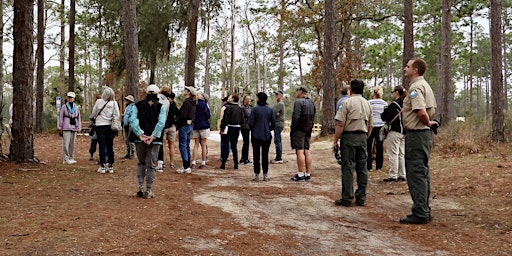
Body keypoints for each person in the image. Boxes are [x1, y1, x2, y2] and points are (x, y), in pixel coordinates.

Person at [399, 58, 438, 225]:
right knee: (422, 172)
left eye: (407, 66)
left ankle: (420, 212)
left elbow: (420, 111)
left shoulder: (415, 88)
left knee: (416, 173)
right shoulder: (425, 85)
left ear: (415, 70)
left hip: (417, 134)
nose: (404, 69)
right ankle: (424, 209)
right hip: (423, 135)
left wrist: (428, 122)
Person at [332, 79, 373, 207]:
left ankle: (347, 197)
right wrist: (365, 137)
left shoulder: (346, 102)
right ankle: (361, 197)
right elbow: (370, 125)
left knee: (348, 167)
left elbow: (340, 123)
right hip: (362, 137)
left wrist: (335, 140)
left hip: (349, 137)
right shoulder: (367, 104)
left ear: (351, 90)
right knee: (362, 168)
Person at [129, 84, 166, 198]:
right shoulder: (161, 107)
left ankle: (140, 186)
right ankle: (148, 190)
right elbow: (161, 123)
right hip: (154, 140)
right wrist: (153, 136)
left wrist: (140, 134)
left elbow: (133, 120)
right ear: (157, 93)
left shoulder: (137, 105)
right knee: (151, 164)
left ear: (146, 92)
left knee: (141, 162)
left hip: (139, 139)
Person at [91, 87, 120, 173]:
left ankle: (103, 165)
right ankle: (110, 165)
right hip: (110, 126)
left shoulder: (99, 102)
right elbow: (117, 115)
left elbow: (94, 112)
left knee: (102, 146)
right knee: (110, 146)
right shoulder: (114, 103)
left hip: (100, 126)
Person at [290, 86, 316, 181]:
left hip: (299, 129)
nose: (296, 93)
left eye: (297, 91)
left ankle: (300, 174)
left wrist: (293, 128)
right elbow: (313, 117)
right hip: (308, 129)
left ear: (301, 91)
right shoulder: (311, 103)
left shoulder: (298, 102)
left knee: (299, 151)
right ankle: (308, 174)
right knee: (307, 151)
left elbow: (296, 116)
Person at [381, 86, 407, 182]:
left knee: (393, 154)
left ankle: (393, 175)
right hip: (403, 132)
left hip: (394, 131)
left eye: (392, 92)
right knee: (401, 154)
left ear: (396, 92)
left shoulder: (394, 105)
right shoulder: (405, 104)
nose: (392, 94)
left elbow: (384, 117)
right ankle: (402, 174)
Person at [249, 92, 276, 181]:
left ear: (259, 99)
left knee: (256, 155)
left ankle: (257, 174)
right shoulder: (270, 109)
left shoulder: (254, 109)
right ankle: (265, 174)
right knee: (265, 155)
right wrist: (268, 129)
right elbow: (273, 123)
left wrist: (253, 129)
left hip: (256, 135)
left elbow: (250, 123)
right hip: (266, 135)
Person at [219, 94, 244, 170]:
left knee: (225, 146)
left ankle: (223, 164)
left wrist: (222, 129)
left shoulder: (228, 108)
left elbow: (225, 120)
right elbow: (242, 120)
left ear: (232, 99)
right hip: (237, 128)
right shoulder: (240, 108)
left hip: (228, 128)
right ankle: (236, 164)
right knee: (234, 146)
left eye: (229, 97)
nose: (228, 98)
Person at [176, 86, 196, 174]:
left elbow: (183, 115)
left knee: (183, 146)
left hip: (183, 126)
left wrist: (176, 121)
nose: (183, 91)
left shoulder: (186, 102)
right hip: (190, 126)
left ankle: (186, 166)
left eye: (185, 90)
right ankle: (187, 165)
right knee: (186, 145)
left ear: (188, 92)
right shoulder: (193, 103)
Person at [367, 86, 388, 172]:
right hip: (381, 126)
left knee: (368, 145)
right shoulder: (384, 104)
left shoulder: (369, 103)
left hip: (371, 126)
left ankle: (369, 166)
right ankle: (379, 166)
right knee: (379, 146)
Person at [58, 91, 82, 164]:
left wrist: (79, 127)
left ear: (74, 98)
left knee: (72, 144)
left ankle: (71, 157)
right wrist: (60, 127)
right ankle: (66, 158)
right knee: (66, 143)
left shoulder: (76, 107)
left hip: (74, 126)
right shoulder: (64, 107)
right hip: (66, 126)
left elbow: (78, 118)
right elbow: (61, 117)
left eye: (71, 97)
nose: (70, 98)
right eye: (69, 97)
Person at [191, 92, 211, 169]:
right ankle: (203, 162)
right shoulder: (204, 105)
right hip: (204, 126)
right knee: (203, 144)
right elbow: (208, 115)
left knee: (196, 144)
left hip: (195, 126)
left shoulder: (194, 104)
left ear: (203, 97)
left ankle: (193, 162)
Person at [163, 91, 179, 169]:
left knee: (162, 146)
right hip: (172, 127)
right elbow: (179, 114)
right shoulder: (174, 106)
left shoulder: (165, 105)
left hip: (164, 127)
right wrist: (175, 122)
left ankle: (163, 162)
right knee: (171, 146)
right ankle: (172, 163)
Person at [156, 86, 171, 172]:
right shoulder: (167, 102)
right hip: (162, 124)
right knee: (160, 143)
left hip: (154, 123)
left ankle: (151, 162)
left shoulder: (157, 98)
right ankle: (160, 163)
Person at [270, 90, 285, 164]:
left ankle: (279, 157)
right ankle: (278, 157)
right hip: (277, 124)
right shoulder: (277, 104)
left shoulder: (280, 104)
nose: (275, 95)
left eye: (277, 94)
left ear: (281, 96)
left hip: (278, 124)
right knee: (277, 140)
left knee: (277, 140)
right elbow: (273, 112)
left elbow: (273, 112)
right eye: (275, 94)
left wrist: (275, 113)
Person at [239, 95, 252, 165]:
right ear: (244, 100)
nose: (249, 100)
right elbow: (243, 118)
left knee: (246, 143)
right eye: (247, 99)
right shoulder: (243, 108)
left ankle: (243, 158)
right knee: (246, 143)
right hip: (244, 127)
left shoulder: (249, 108)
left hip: (248, 127)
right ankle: (245, 159)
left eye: (249, 99)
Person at [122, 95, 136, 159]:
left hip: (131, 125)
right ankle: (128, 152)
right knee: (126, 139)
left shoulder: (133, 107)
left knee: (131, 139)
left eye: (127, 100)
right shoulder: (127, 108)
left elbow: (132, 116)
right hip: (126, 125)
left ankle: (132, 153)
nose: (126, 101)